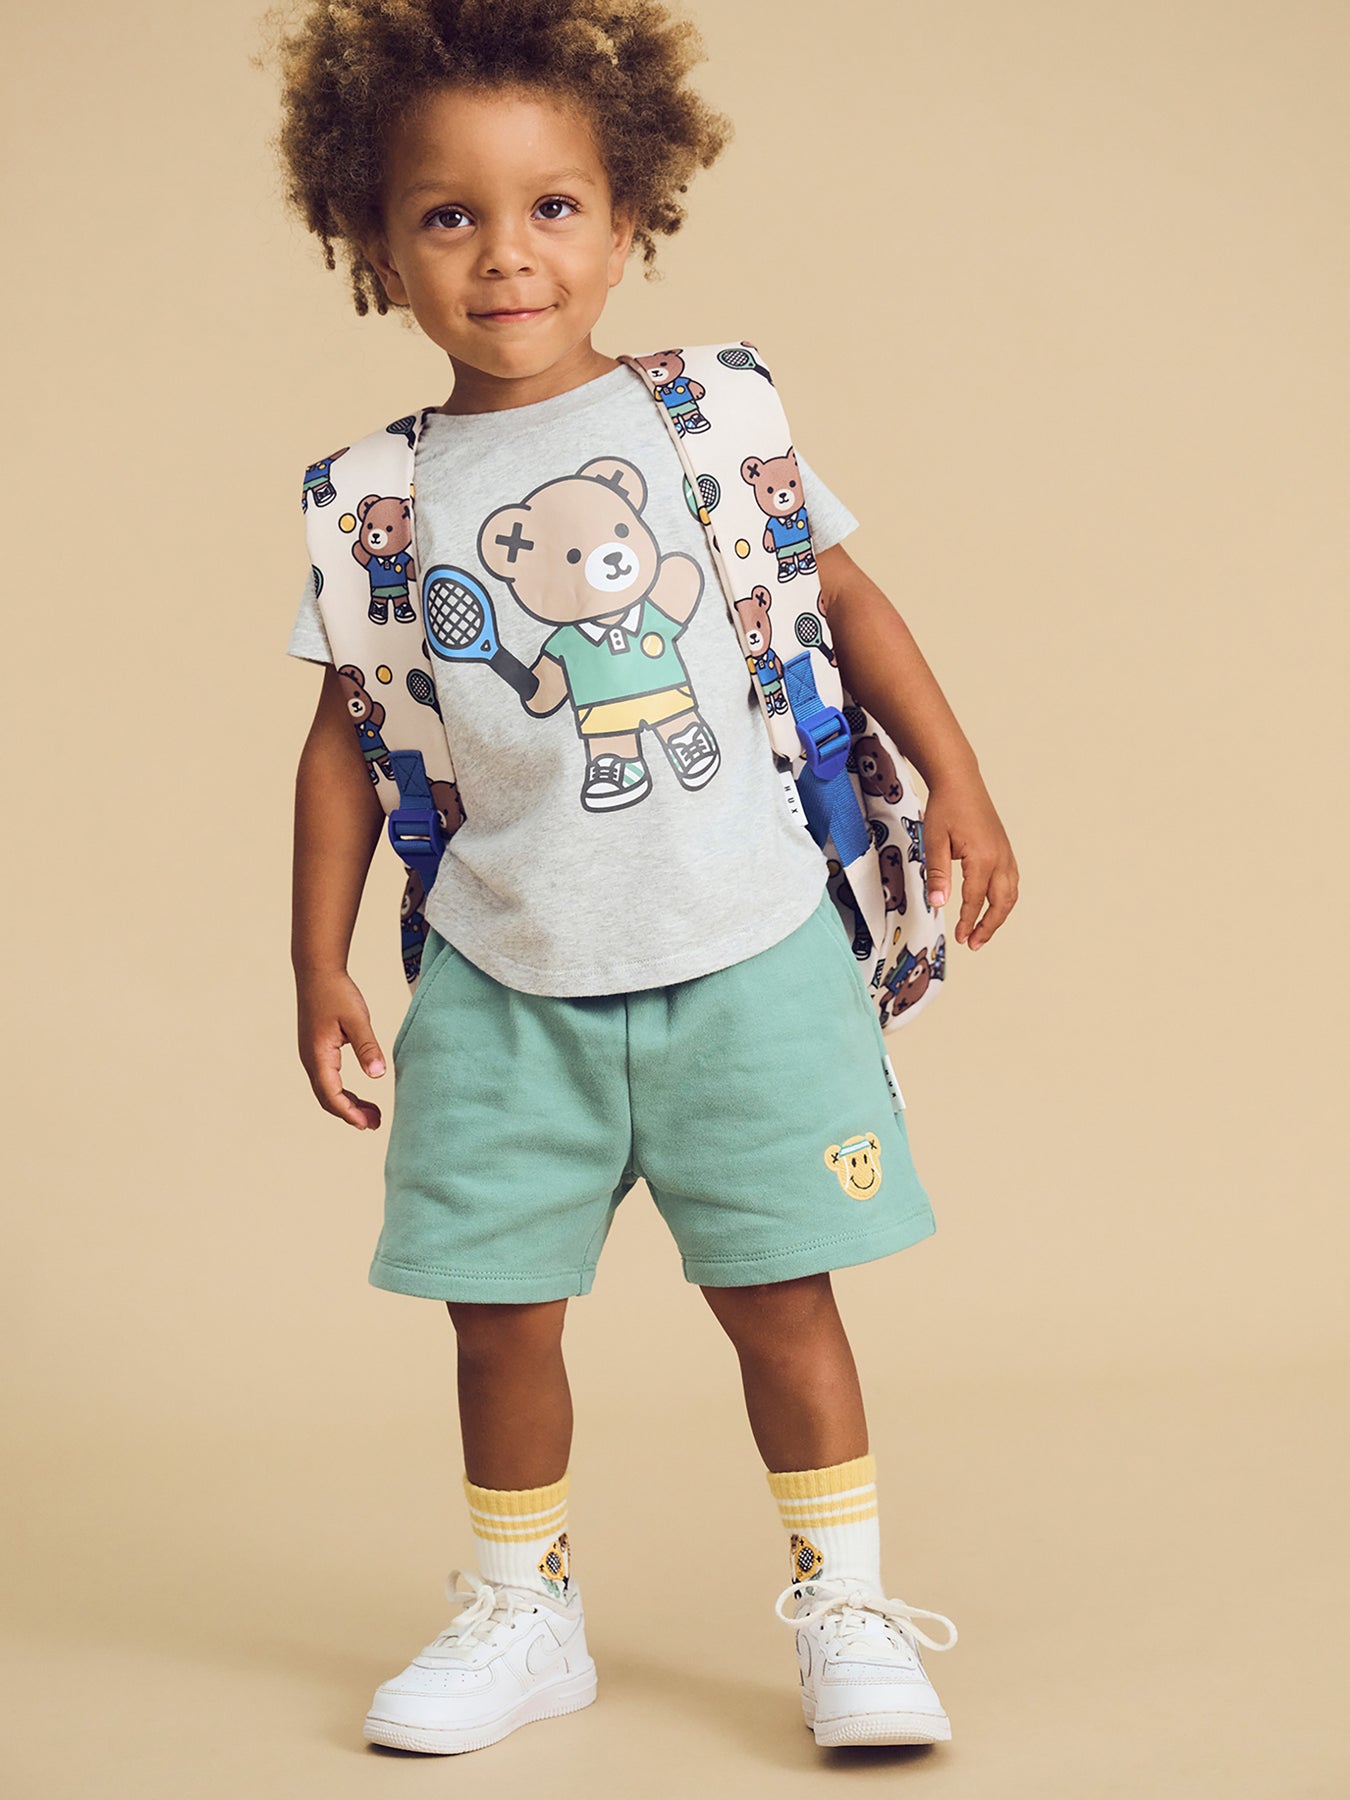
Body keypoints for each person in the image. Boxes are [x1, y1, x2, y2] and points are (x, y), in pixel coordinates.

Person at [270, 0, 1018, 1760]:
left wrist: (962, 783)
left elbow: (845, 600)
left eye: (552, 207)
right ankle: (521, 1612)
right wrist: (316, 962)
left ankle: (843, 1605)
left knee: (780, 1296)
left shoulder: (708, 419)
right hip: (503, 974)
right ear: (375, 245)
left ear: (627, 223)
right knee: (497, 1317)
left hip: (746, 949)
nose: (505, 254)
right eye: (447, 215)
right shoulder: (375, 504)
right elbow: (343, 741)